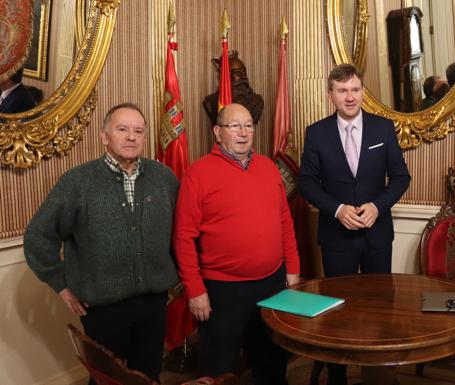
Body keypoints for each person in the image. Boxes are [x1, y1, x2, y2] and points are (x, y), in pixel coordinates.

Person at [24, 103, 180, 383]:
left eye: (138, 131)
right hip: (102, 310)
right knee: (107, 379)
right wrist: (60, 284)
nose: (131, 137)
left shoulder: (164, 178)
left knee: (149, 377)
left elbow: (181, 232)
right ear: (104, 136)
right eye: (122, 129)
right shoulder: (77, 182)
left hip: (154, 305)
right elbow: (38, 236)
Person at [298, 63, 410, 385]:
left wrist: (378, 205)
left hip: (377, 236)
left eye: (355, 90)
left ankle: (378, 376)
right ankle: (338, 376)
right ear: (330, 94)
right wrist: (337, 209)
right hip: (336, 237)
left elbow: (401, 177)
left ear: (363, 91)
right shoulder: (316, 132)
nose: (350, 97)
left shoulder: (382, 129)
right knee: (337, 312)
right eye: (343, 91)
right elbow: (307, 181)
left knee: (380, 310)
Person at [173, 103, 300, 385]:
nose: (243, 133)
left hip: (272, 284)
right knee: (219, 370)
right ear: (218, 132)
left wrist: (292, 267)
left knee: (272, 363)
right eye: (235, 126)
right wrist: (194, 289)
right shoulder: (198, 173)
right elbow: (183, 237)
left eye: (249, 126)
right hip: (221, 291)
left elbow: (285, 222)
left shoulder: (268, 168)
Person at [203, 51, 264, 125]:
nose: (243, 77)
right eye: (237, 73)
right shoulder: (211, 102)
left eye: (244, 72)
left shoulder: (256, 101)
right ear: (226, 77)